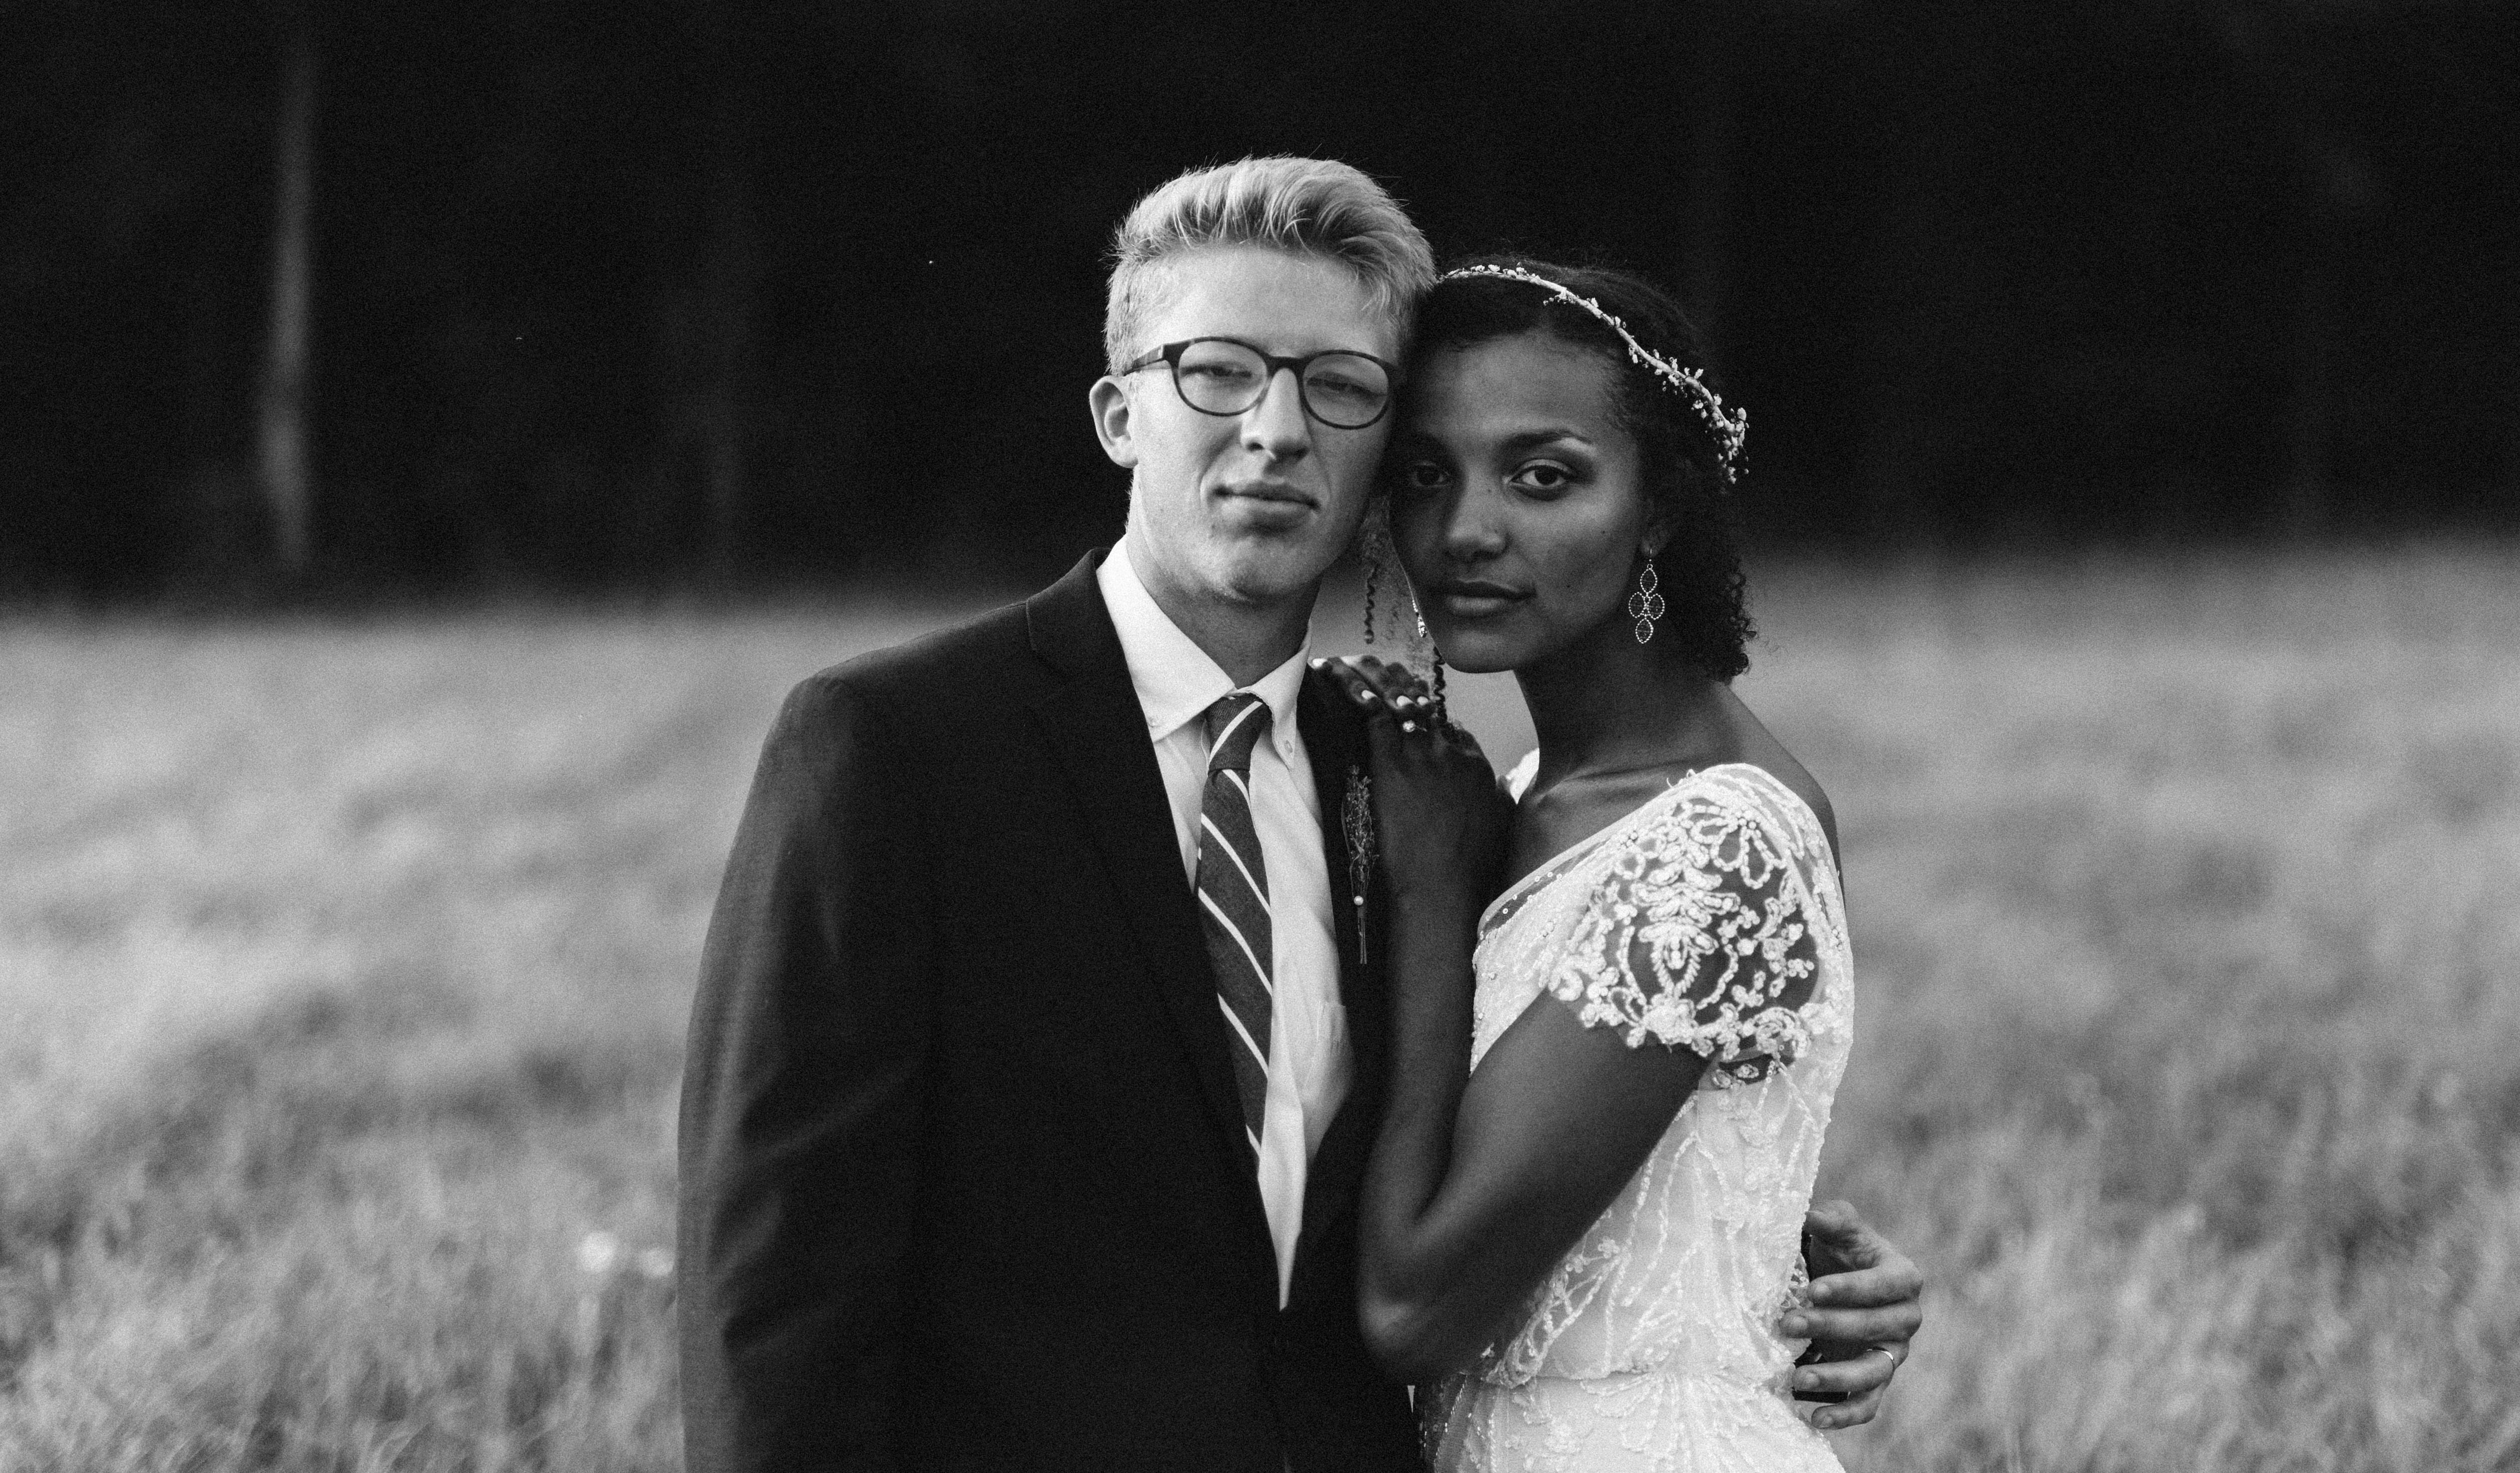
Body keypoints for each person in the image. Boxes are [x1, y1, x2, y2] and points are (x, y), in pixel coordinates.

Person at [676, 160, 1921, 1473]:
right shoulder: (895, 748)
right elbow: (774, 1282)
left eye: (1336, 384)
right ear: (1117, 413)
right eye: (1216, 371)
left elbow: (1550, 1154)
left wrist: (1777, 1256)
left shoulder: (1403, 786)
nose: (1275, 429)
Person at [1325, 257, 1882, 1472]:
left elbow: (1415, 1313)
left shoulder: (1723, 839)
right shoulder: (1532, 794)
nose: (1466, 531)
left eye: (1542, 477)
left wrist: (1430, 898)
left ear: (1660, 508)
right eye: (1424, 474)